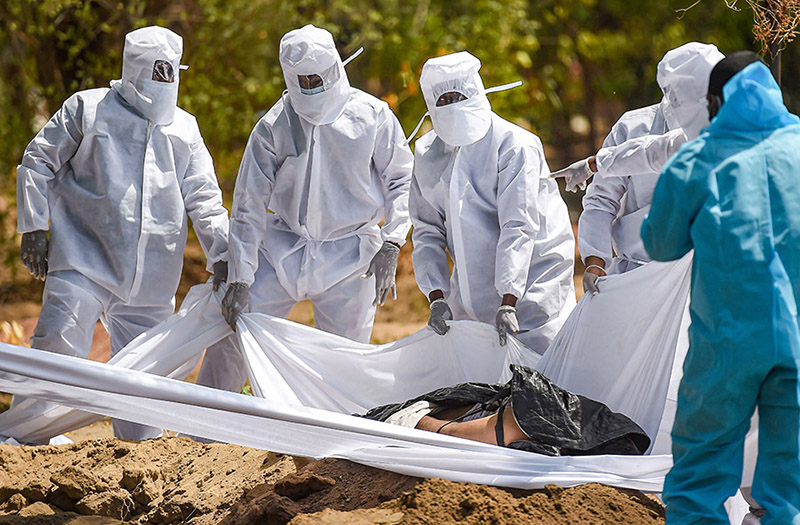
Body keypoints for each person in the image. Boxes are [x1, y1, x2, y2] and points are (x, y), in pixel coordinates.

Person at [15, 26, 229, 441]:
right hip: (83, 260)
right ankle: (27, 441)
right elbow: (38, 160)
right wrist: (34, 226)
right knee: (57, 346)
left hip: (152, 281)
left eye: (170, 72)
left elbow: (204, 198)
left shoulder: (185, 128)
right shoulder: (88, 109)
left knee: (142, 396)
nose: (163, 81)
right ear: (134, 68)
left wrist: (222, 255)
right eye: (156, 72)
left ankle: (136, 453)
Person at [196, 25, 412, 394]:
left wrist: (392, 242)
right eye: (303, 82)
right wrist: (241, 277)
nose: (312, 89)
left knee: (346, 361)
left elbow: (403, 180)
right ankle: (206, 417)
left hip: (351, 256)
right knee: (232, 329)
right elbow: (249, 203)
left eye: (318, 79)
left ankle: (336, 428)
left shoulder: (372, 116)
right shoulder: (274, 126)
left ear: (335, 69)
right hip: (284, 247)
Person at [641, 52, 800, 523]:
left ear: (715, 102)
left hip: (727, 343)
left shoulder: (698, 159)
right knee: (790, 477)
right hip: (797, 339)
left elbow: (661, 244)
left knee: (701, 471)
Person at [409, 51, 575, 353]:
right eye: (443, 100)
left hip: (533, 283)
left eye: (458, 96)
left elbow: (518, 225)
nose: (452, 105)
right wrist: (437, 297)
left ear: (474, 92)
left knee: (540, 366)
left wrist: (509, 300)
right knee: (479, 371)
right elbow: (427, 231)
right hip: (469, 294)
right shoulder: (427, 154)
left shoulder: (514, 144)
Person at [572, 43, 723, 294]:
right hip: (638, 277)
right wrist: (595, 261)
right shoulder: (635, 127)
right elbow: (602, 198)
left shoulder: (726, 130)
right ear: (676, 94)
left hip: (706, 276)